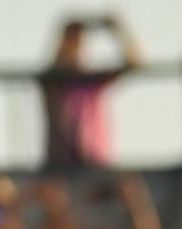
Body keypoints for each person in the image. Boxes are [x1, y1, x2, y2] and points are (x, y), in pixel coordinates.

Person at [38, 14, 142, 169]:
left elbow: (134, 63)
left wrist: (118, 30)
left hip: (95, 160)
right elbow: (53, 70)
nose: (73, 48)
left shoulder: (92, 79)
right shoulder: (53, 81)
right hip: (61, 162)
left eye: (77, 43)